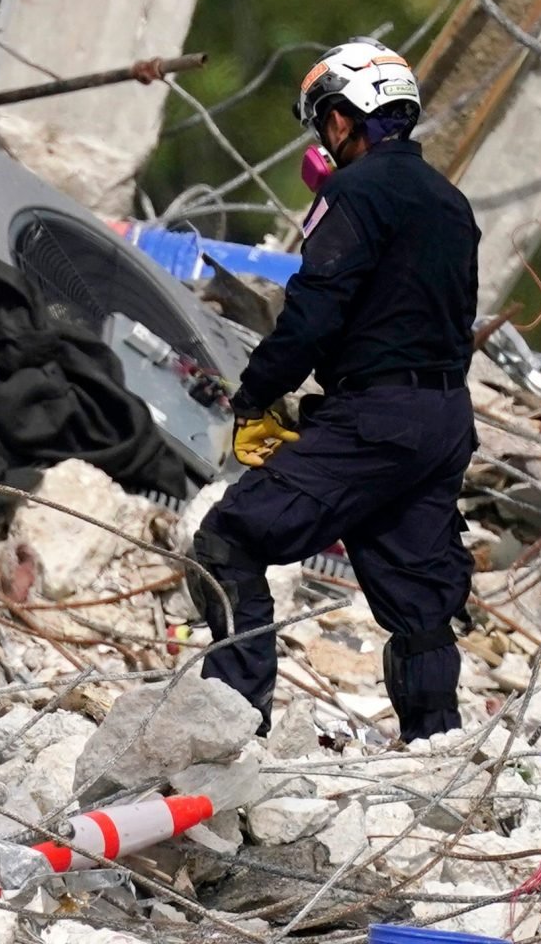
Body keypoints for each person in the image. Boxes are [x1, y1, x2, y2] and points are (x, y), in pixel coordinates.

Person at [191, 41, 478, 743]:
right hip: (442, 418)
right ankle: (435, 747)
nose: (322, 137)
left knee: (228, 540)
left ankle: (232, 734)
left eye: (325, 120)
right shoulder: (450, 202)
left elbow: (314, 311)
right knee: (419, 601)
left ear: (348, 119)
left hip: (374, 420)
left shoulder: (350, 195)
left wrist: (256, 395)